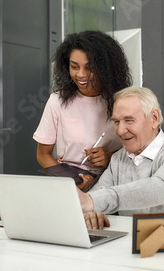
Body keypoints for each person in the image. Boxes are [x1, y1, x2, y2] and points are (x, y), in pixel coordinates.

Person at [77, 86, 164, 229]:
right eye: (117, 122)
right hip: (132, 244)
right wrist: (91, 212)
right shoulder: (118, 158)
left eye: (129, 120)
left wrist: (92, 201)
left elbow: (158, 189)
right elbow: (96, 199)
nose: (119, 130)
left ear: (154, 118)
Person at [33, 31, 132, 190]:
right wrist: (71, 180)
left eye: (89, 68)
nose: (81, 74)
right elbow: (42, 154)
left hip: (112, 177)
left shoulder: (122, 101)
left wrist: (108, 157)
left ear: (106, 68)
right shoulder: (57, 102)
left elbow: (139, 150)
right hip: (68, 177)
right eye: (74, 66)